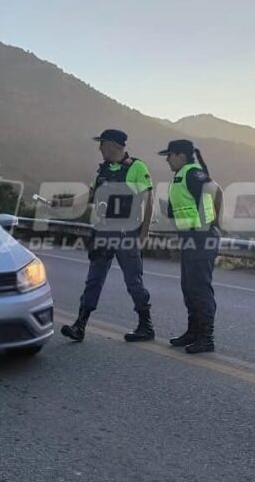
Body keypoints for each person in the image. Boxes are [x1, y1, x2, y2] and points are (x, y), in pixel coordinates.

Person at [57, 129, 155, 342]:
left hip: (126, 234)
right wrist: (62, 203)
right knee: (94, 280)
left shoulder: (137, 168)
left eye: (102, 143)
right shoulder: (101, 170)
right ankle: (80, 325)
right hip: (102, 232)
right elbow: (89, 196)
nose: (99, 148)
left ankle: (145, 326)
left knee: (133, 281)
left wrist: (144, 233)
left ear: (113, 145)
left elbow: (149, 200)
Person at [158, 139, 221, 354]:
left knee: (200, 289)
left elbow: (217, 193)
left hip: (201, 238)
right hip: (190, 238)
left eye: (169, 155)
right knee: (189, 287)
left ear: (181, 156)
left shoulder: (193, 173)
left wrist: (212, 224)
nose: (167, 159)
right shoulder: (181, 176)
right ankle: (193, 332)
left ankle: (206, 338)